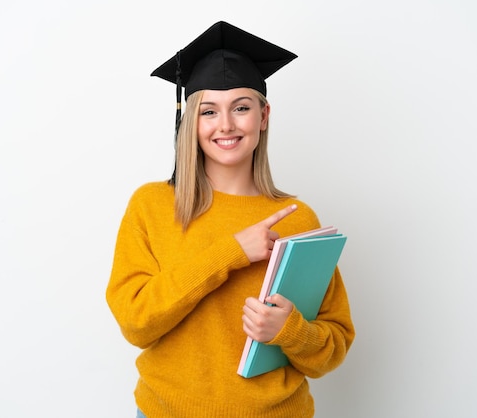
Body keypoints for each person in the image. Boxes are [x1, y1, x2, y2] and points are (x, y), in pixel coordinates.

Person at [106, 21, 355, 418]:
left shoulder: (297, 218)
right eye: (209, 111)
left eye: (241, 107)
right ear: (190, 119)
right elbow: (137, 325)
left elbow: (332, 347)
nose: (226, 124)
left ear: (264, 115)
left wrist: (289, 331)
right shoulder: (152, 206)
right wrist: (230, 252)